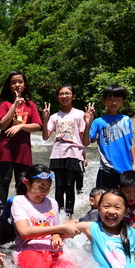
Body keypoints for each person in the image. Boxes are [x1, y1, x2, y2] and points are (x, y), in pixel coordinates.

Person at [11, 164, 101, 268]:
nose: (43, 192)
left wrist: (56, 235)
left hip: (52, 249)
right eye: (40, 187)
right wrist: (59, 229)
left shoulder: (52, 203)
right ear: (27, 183)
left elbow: (55, 229)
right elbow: (24, 231)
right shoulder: (19, 201)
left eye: (47, 188)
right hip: (29, 249)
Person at [0, 71, 42, 205]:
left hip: (23, 149)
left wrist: (21, 127)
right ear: (9, 86)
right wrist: (14, 105)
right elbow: (2, 125)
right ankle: (1, 210)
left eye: (20, 82)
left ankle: (21, 209)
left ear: (25, 85)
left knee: (22, 181)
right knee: (4, 180)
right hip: (6, 148)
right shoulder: (4, 105)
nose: (17, 85)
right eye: (13, 82)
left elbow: (37, 125)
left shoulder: (30, 105)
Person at [41, 84, 90, 217]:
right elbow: (46, 136)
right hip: (57, 154)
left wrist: (88, 122)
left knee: (69, 186)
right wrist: (45, 119)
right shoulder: (54, 116)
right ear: (57, 98)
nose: (64, 96)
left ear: (73, 96)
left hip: (74, 153)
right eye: (61, 94)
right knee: (59, 187)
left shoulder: (80, 114)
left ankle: (68, 215)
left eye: (67, 93)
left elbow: (85, 141)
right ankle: (57, 214)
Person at [83, 84, 135, 189]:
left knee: (124, 201)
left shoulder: (126, 120)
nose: (114, 103)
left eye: (118, 99)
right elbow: (86, 142)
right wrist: (88, 124)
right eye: (110, 99)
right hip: (107, 169)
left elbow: (131, 143)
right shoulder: (98, 122)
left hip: (127, 168)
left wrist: (134, 164)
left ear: (123, 101)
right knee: (103, 200)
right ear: (104, 100)